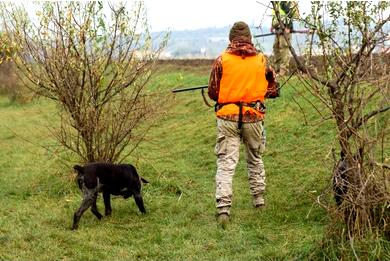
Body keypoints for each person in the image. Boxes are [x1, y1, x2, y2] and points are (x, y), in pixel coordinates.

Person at [208, 21, 276, 227]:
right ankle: (259, 201)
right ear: (249, 39)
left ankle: (223, 210)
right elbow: (272, 90)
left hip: (227, 117)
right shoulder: (262, 60)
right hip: (254, 116)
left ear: (231, 39)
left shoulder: (221, 60)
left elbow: (213, 92)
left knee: (226, 164)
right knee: (255, 159)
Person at [271, 1, 299, 76]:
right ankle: (277, 70)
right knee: (275, 47)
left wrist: (288, 27)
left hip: (285, 29)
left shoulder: (284, 2)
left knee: (284, 48)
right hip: (278, 29)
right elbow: (275, 16)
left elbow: (289, 15)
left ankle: (283, 71)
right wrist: (272, 26)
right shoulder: (275, 3)